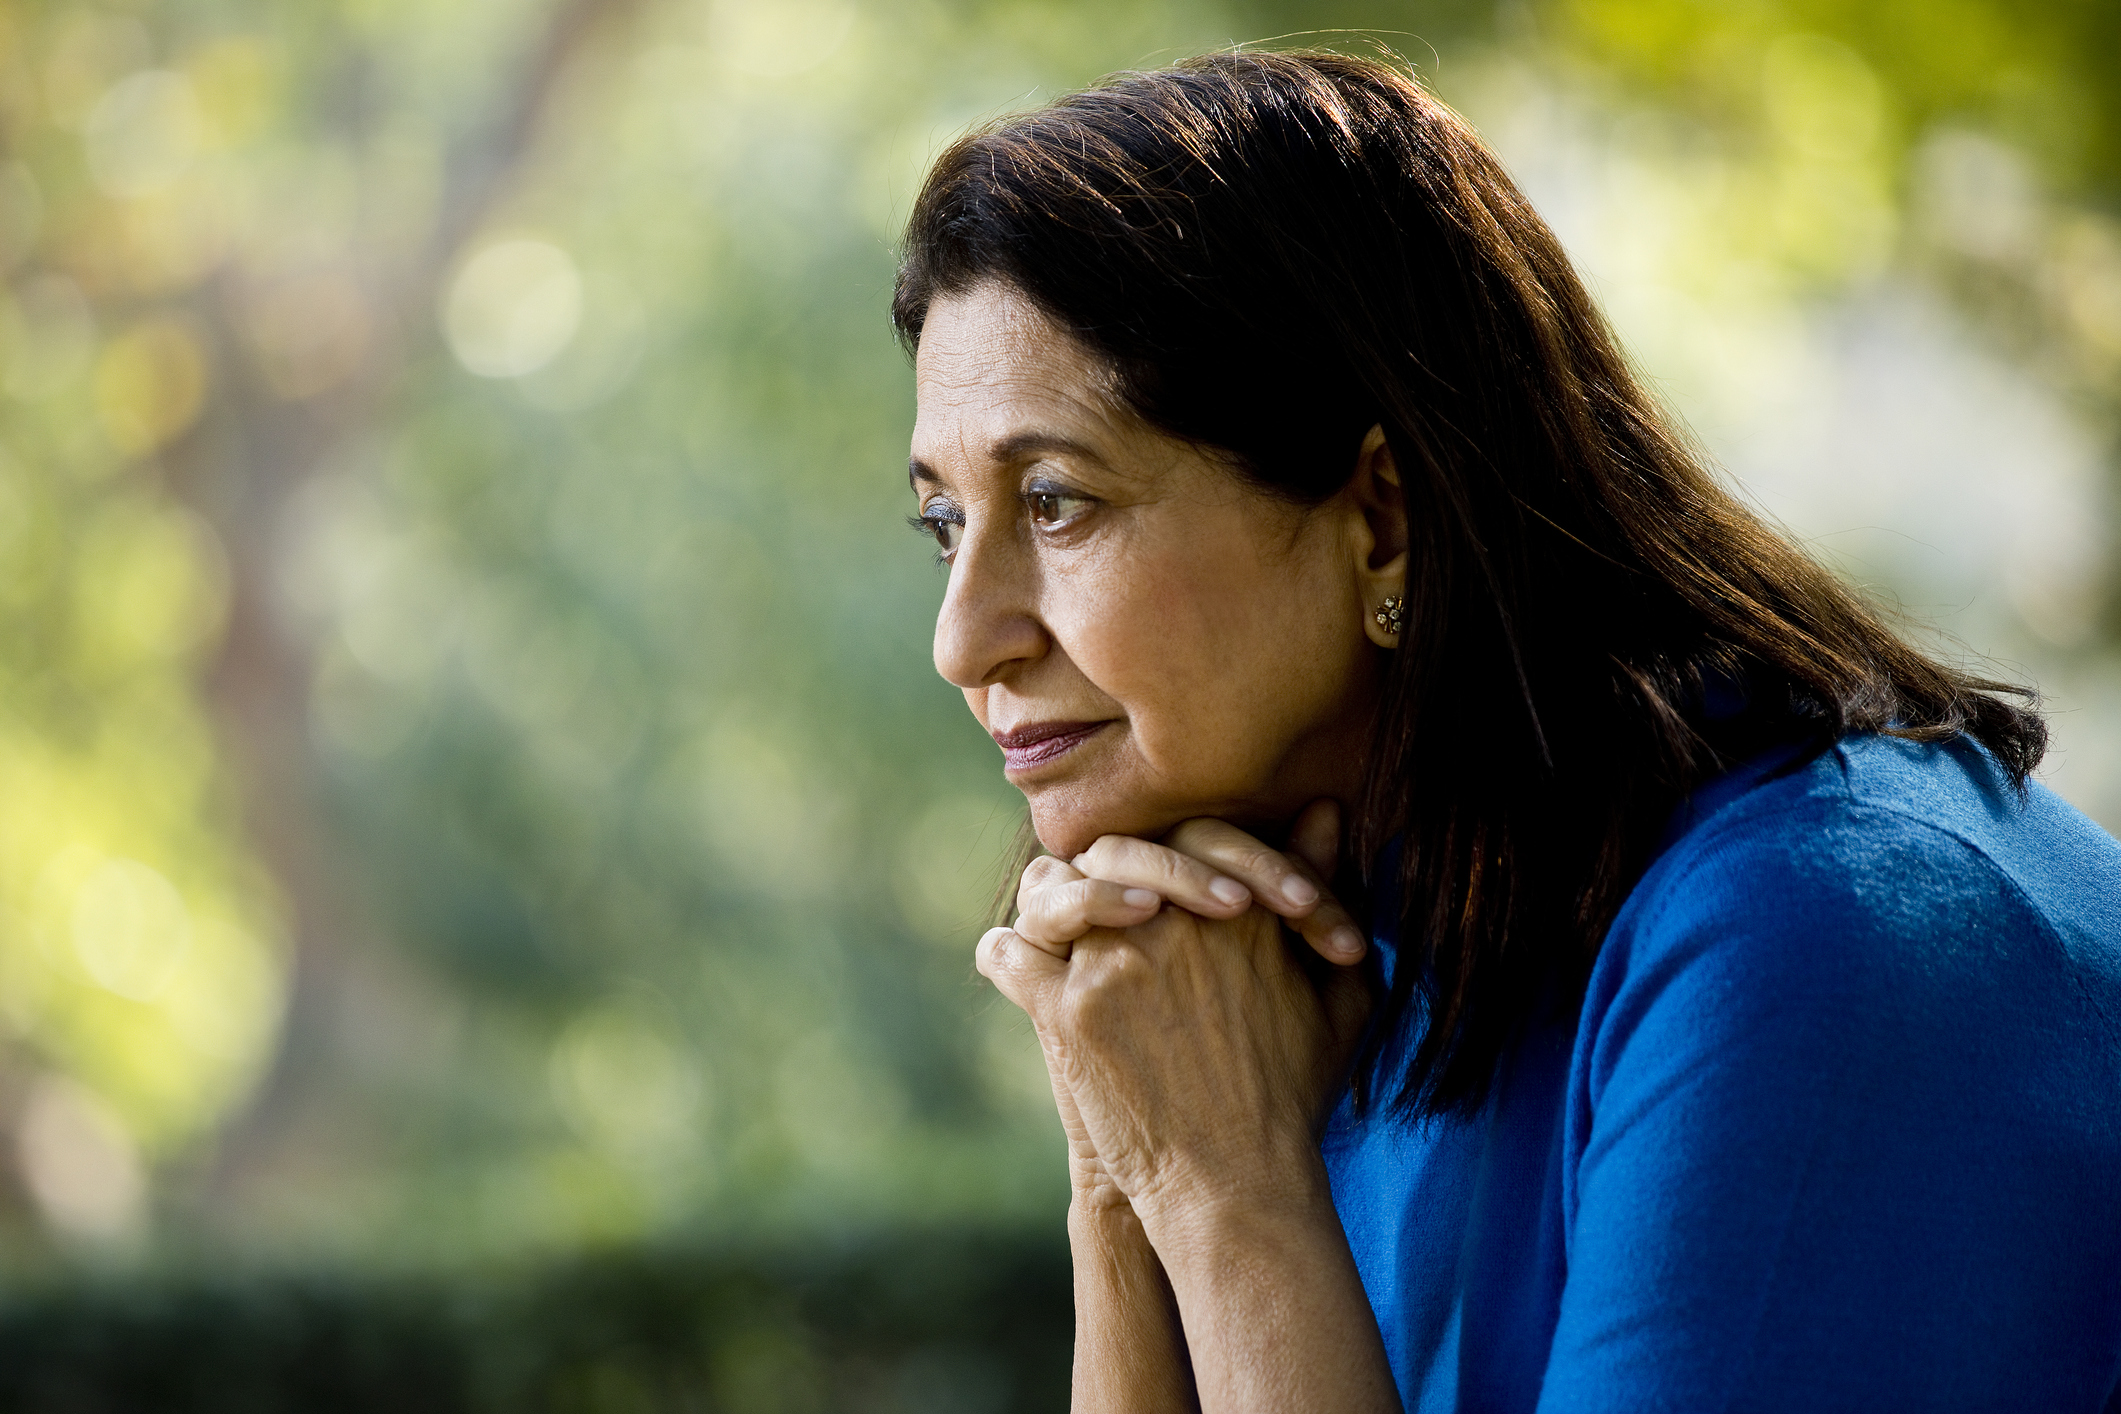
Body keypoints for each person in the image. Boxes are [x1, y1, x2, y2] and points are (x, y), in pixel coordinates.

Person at [892, 51, 2121, 1413]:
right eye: (945, 522)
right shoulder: (1297, 952)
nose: (963, 637)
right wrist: (1123, 1191)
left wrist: (1224, 1193)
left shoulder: (1817, 936)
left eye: (1056, 501)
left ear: (1382, 517)